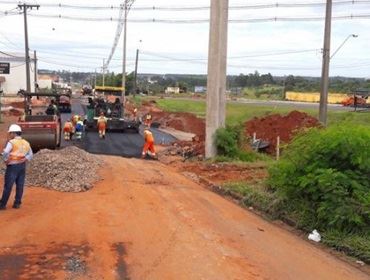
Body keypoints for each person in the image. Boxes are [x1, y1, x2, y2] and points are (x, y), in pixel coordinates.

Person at [0, 124, 33, 210]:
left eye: (10, 133)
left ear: (14, 133)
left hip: (12, 166)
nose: (10, 134)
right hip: (22, 166)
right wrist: (25, 159)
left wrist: (5, 160)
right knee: (20, 185)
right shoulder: (26, 142)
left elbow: (6, 152)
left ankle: (2, 204)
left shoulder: (12, 142)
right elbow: (31, 154)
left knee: (8, 185)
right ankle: (17, 203)